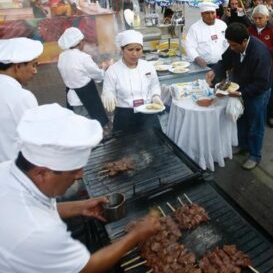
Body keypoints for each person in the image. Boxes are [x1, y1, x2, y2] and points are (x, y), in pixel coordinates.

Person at [0, 103, 162, 272]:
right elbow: (86, 268)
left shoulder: (6, 171)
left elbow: (36, 206)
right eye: (74, 171)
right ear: (42, 174)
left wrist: (79, 207)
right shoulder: (40, 232)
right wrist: (135, 236)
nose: (80, 175)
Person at [206, 23, 272, 170]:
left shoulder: (260, 53)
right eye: (229, 44)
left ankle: (255, 155)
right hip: (240, 87)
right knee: (241, 119)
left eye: (234, 45)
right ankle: (243, 146)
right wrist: (215, 71)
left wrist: (241, 93)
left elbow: (262, 82)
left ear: (244, 41)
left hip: (258, 93)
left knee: (255, 124)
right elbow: (224, 62)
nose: (231, 48)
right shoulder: (234, 46)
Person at [101, 30, 163, 135]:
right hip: (124, 115)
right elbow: (108, 89)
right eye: (130, 50)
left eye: (138, 49)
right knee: (124, 148)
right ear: (122, 49)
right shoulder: (113, 70)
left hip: (147, 112)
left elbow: (154, 85)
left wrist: (155, 96)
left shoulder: (148, 66)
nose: (134, 54)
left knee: (155, 143)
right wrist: (108, 94)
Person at [57, 27, 110, 133]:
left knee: (78, 123)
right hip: (86, 96)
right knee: (89, 124)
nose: (84, 44)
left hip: (71, 95)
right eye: (83, 41)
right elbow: (97, 75)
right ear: (79, 42)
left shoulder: (62, 56)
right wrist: (104, 67)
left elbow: (78, 70)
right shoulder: (83, 57)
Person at [0, 38, 43, 162]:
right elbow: (36, 138)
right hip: (13, 169)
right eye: (33, 65)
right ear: (18, 67)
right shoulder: (21, 97)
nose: (35, 71)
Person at [247, 4, 273, 128]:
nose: (257, 21)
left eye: (260, 18)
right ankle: (256, 116)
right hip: (253, 68)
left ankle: (271, 116)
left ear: (267, 17)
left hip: (270, 69)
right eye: (255, 18)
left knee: (271, 94)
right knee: (256, 93)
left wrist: (266, 52)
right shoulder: (250, 30)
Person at [185, 2, 228, 68]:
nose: (210, 16)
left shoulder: (222, 25)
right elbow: (189, 46)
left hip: (221, 64)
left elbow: (227, 43)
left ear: (215, 13)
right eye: (207, 13)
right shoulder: (195, 28)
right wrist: (196, 58)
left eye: (212, 13)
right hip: (202, 66)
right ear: (202, 14)